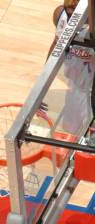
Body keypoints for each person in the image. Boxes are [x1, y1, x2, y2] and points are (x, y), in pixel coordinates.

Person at [47, 0, 95, 134]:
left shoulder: (92, 27)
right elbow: (55, 42)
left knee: (89, 136)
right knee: (70, 131)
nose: (72, 2)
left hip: (91, 89)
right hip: (74, 85)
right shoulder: (59, 14)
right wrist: (44, 79)